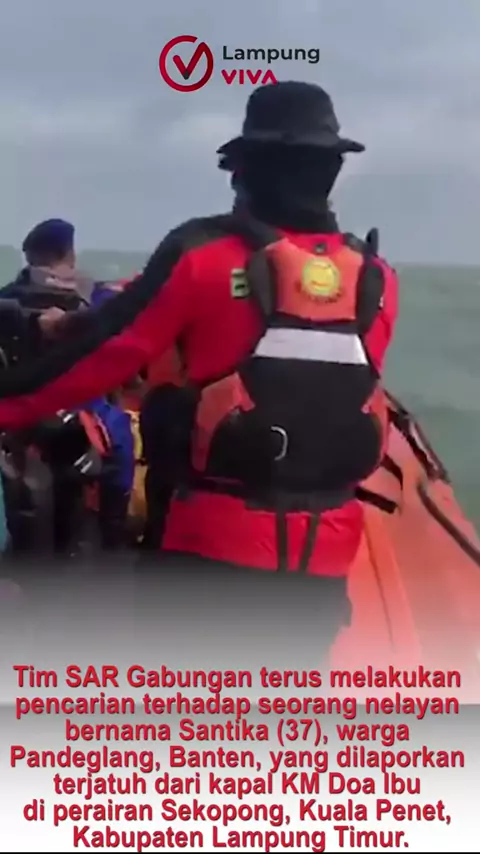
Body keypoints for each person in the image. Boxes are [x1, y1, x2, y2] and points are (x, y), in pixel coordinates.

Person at [0, 82, 398, 656]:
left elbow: (91, 365)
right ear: (330, 170)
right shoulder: (377, 280)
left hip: (207, 560)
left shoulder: (201, 255)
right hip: (322, 569)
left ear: (245, 171)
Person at [0, 219, 135, 554]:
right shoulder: (96, 296)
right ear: (70, 254)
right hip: (83, 409)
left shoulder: (7, 298)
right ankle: (115, 527)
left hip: (19, 414)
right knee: (121, 437)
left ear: (30, 256)